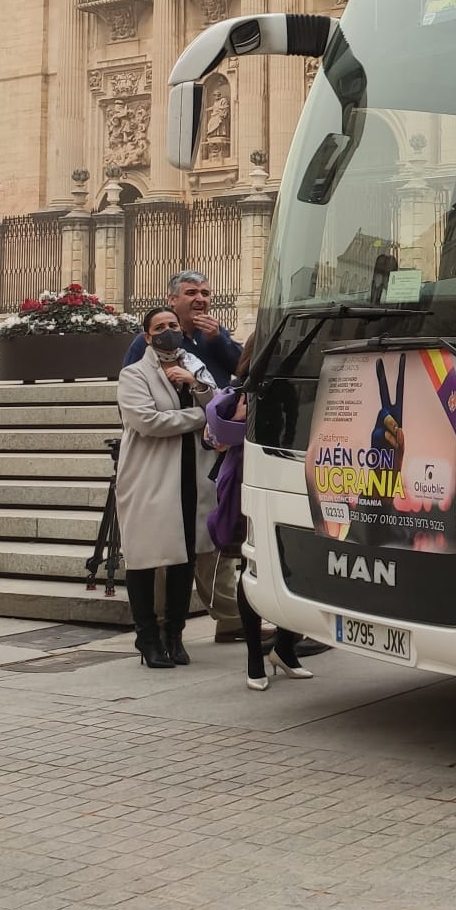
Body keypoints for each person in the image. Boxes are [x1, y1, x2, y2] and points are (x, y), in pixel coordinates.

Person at [205, 340, 315, 690]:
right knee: (251, 567)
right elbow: (215, 436)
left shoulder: (297, 385)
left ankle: (284, 647)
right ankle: (255, 658)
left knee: (297, 564)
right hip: (248, 482)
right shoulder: (244, 389)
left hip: (294, 479)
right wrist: (237, 420)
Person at [116, 309, 214, 670]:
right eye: (160, 328)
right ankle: (147, 636)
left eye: (173, 326)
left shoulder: (192, 365)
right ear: (147, 336)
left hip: (190, 476)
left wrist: (196, 385)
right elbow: (146, 421)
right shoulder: (134, 374)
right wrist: (197, 418)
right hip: (150, 478)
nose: (169, 332)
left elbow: (219, 407)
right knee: (144, 558)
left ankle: (175, 633)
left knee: (184, 557)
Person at [122, 270, 241, 386]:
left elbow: (243, 369)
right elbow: (129, 384)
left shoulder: (216, 333)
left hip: (219, 404)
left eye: (205, 294)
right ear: (172, 299)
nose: (200, 299)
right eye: (191, 293)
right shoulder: (150, 339)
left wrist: (218, 340)